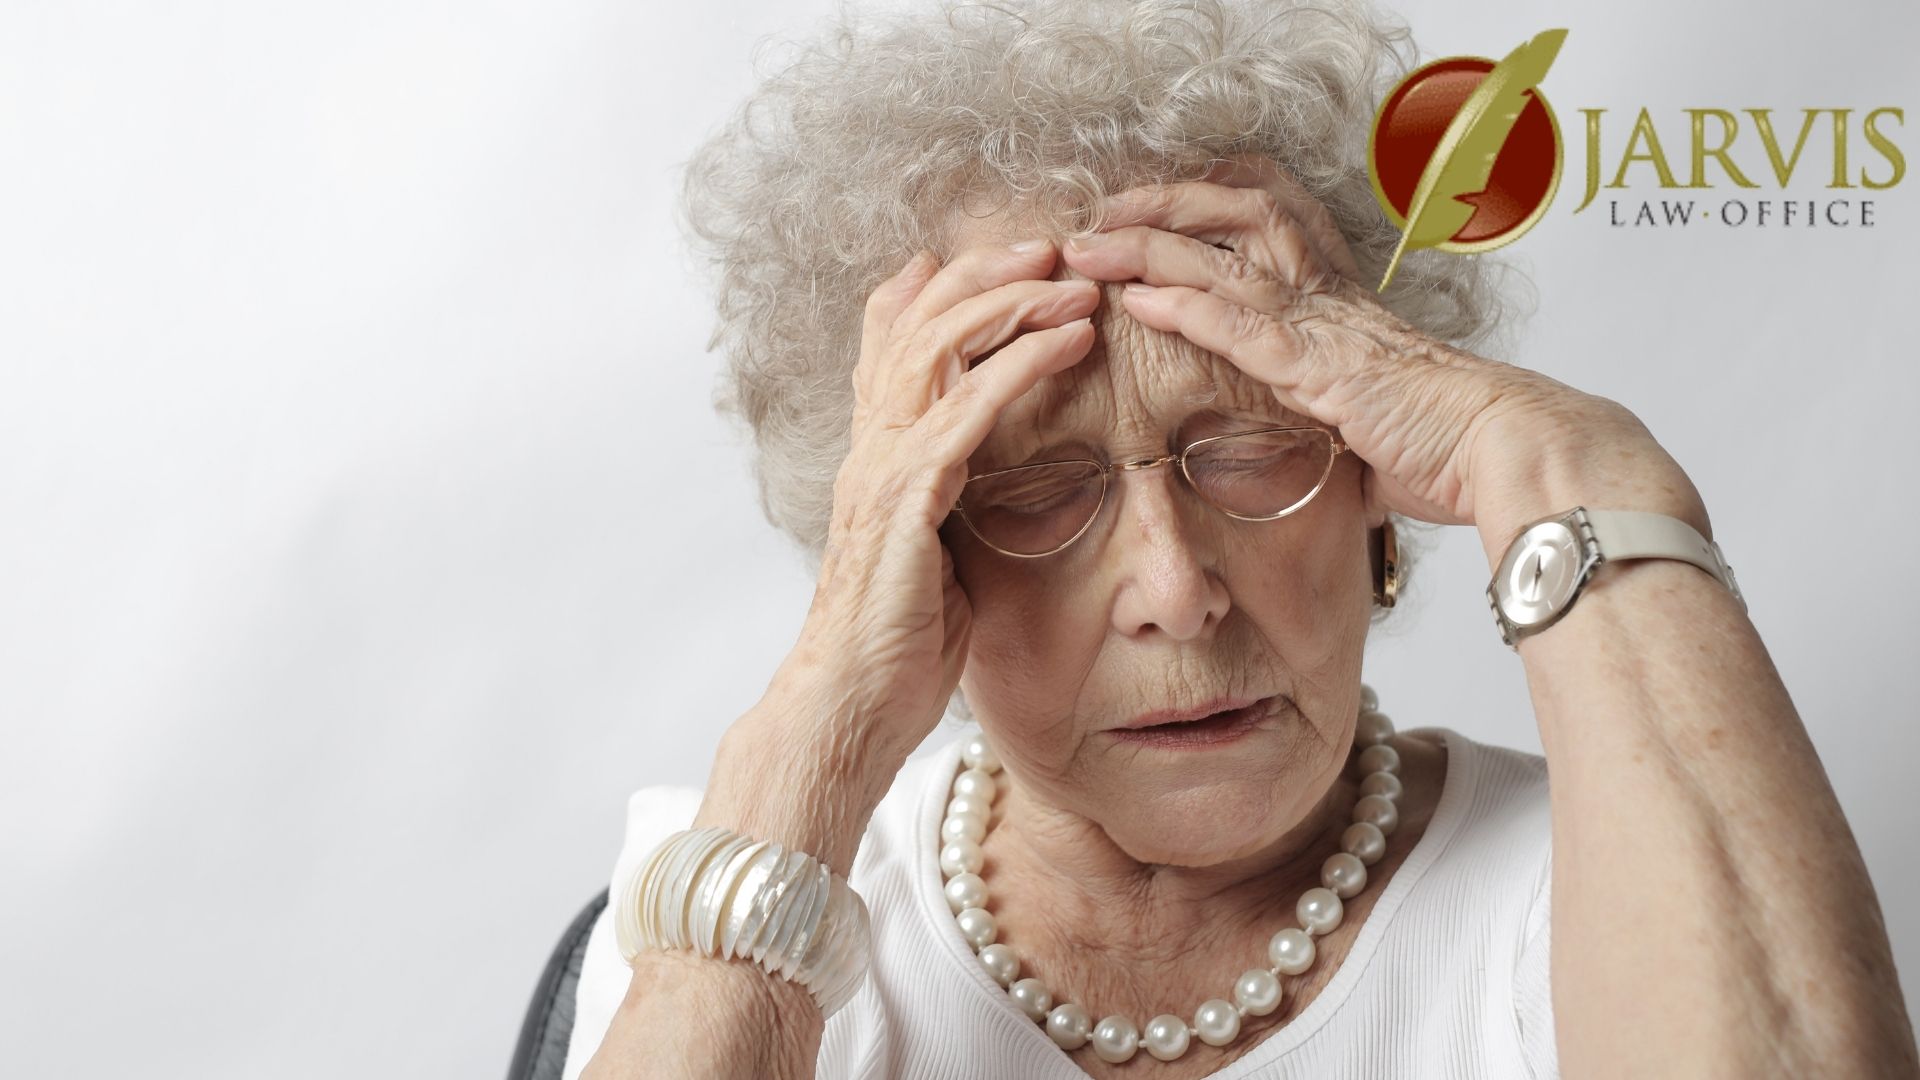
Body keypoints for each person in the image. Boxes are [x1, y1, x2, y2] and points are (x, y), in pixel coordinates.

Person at [565, 1, 1919, 1076]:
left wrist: (1569, 461)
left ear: (1380, 475)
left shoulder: (1608, 877)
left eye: (1253, 447)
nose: (1173, 588)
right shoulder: (726, 893)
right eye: (1038, 491)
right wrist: (820, 724)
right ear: (918, 560)